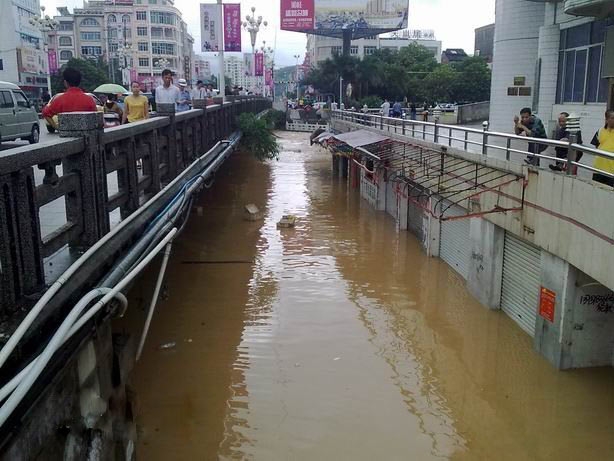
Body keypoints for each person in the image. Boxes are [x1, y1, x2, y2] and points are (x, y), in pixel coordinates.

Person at [592, 110, 614, 187]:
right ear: (607, 119)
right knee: (596, 189)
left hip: (612, 170)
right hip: (598, 168)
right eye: (613, 118)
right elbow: (596, 145)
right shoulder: (600, 131)